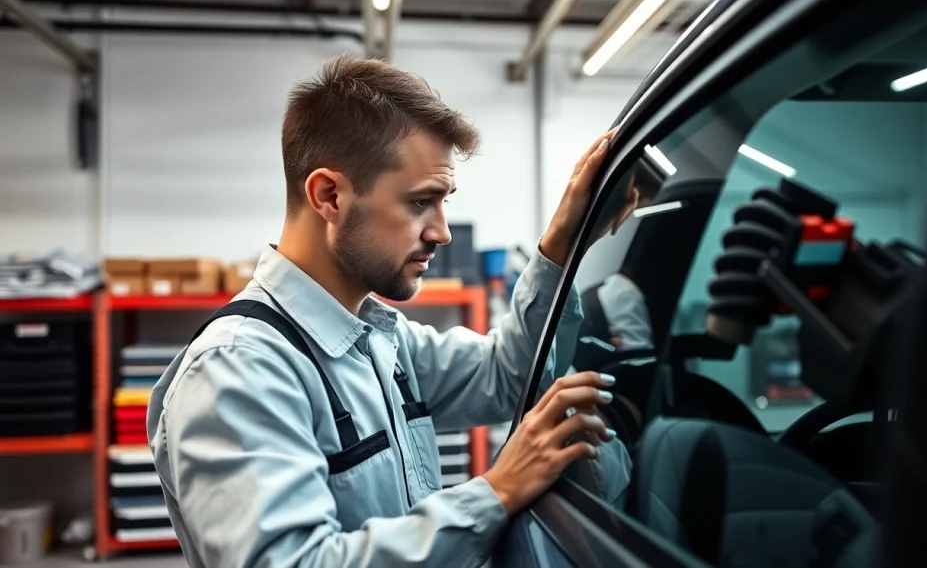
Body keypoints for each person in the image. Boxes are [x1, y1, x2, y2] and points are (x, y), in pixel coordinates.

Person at [145, 54, 639, 568]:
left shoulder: (380, 339)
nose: (442, 232)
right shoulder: (238, 369)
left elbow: (507, 378)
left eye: (444, 201)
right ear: (329, 195)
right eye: (420, 202)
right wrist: (497, 491)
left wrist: (564, 243)